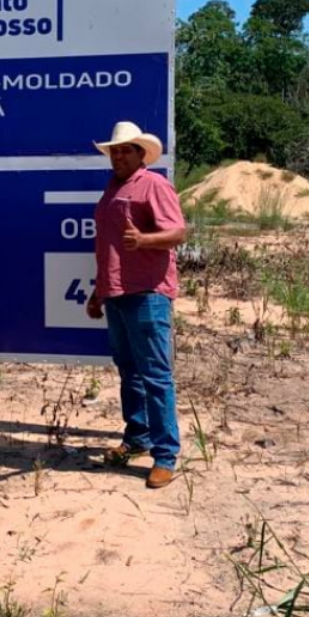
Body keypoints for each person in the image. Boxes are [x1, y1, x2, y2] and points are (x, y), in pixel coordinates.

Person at [85, 119, 188, 489]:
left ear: (141, 154)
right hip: (116, 293)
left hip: (147, 293)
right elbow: (108, 247)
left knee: (156, 376)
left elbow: (178, 232)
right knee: (128, 369)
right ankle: (138, 438)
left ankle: (165, 455)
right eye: (114, 150)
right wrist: (99, 291)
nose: (118, 156)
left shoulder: (154, 185)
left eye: (125, 150)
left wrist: (144, 240)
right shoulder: (113, 188)